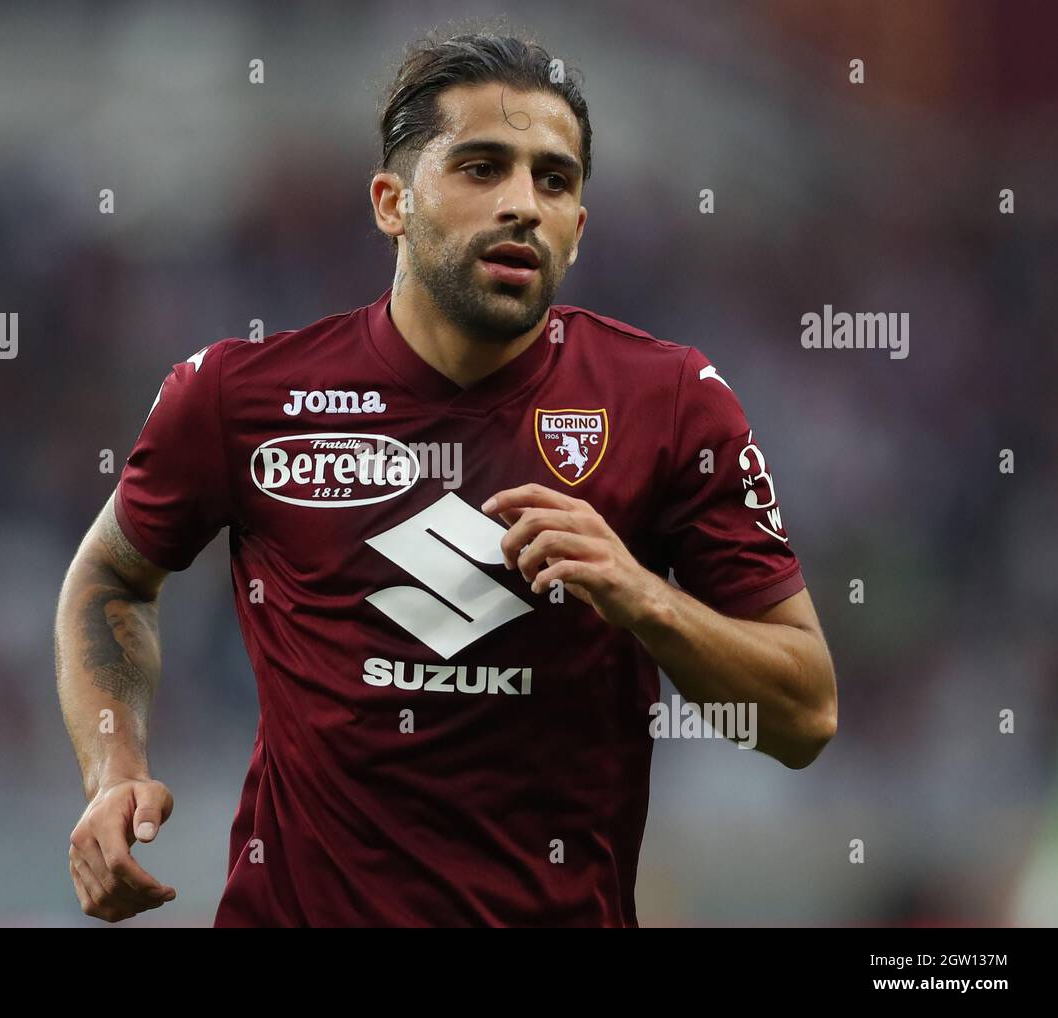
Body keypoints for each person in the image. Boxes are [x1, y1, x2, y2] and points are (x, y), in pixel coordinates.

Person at [55, 30, 837, 927]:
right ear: (392, 202)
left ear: (579, 230)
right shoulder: (237, 394)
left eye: (554, 180)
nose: (522, 205)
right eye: (481, 167)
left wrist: (643, 598)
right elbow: (111, 575)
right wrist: (113, 770)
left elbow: (803, 714)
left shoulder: (672, 404)